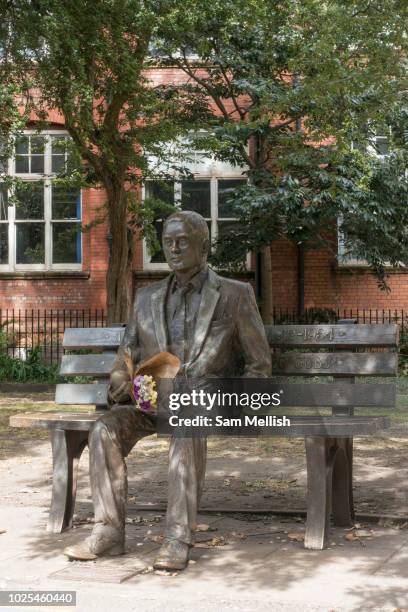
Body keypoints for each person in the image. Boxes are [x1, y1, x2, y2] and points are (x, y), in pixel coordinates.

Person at [64, 210, 271, 570]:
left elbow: (258, 362)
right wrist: (119, 381)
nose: (173, 248)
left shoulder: (234, 295)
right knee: (103, 430)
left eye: (182, 241)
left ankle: (177, 538)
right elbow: (126, 354)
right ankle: (109, 532)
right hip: (154, 401)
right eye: (168, 242)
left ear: (203, 246)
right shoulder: (147, 297)